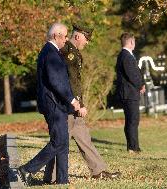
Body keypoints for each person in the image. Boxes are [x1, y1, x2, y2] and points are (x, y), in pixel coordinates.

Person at [43, 23, 121, 183]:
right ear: (78, 36)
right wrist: (76, 103)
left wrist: (81, 103)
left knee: (83, 137)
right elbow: (67, 81)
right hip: (66, 106)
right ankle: (51, 178)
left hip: (74, 106)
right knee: (60, 141)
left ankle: (98, 170)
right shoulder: (66, 52)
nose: (87, 42)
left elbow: (76, 82)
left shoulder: (73, 52)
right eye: (86, 39)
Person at [17, 23, 80, 185]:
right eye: (65, 36)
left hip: (56, 104)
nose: (66, 40)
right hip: (53, 104)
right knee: (58, 141)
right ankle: (27, 169)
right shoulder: (50, 52)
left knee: (63, 142)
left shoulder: (51, 51)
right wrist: (72, 100)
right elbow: (56, 81)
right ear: (56, 36)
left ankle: (62, 180)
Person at [116, 32, 145, 154]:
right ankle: (133, 147)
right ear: (131, 42)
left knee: (132, 120)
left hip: (130, 93)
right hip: (129, 93)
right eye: (134, 42)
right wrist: (141, 85)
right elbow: (132, 75)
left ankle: (133, 146)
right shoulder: (126, 56)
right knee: (133, 120)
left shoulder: (126, 55)